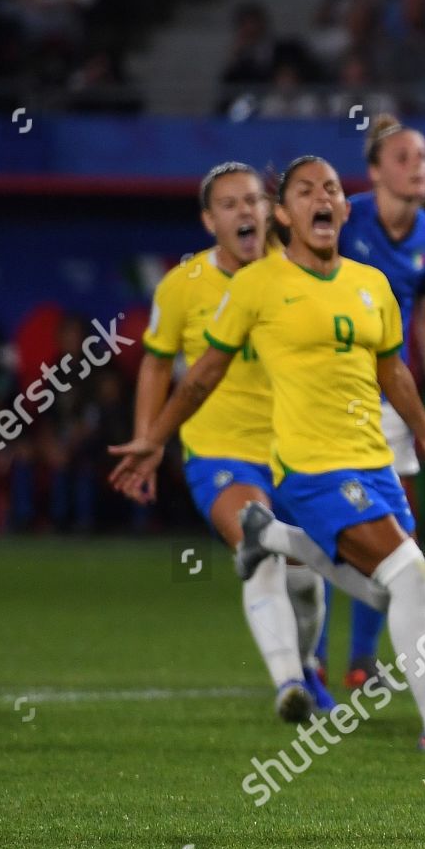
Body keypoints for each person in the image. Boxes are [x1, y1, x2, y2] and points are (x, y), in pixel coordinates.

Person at [110, 155, 425, 754]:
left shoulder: (370, 285)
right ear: (287, 215)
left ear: (345, 210)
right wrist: (155, 437)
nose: (322, 197)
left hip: (373, 460)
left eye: (332, 190)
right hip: (309, 468)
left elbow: (392, 370)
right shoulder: (255, 287)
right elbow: (200, 377)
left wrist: (424, 430)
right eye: (305, 191)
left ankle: (274, 539)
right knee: (412, 575)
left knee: (385, 592)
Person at [128, 162, 331, 721]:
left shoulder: (300, 273)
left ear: (269, 210)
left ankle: (309, 666)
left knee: (307, 578)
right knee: (258, 542)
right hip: (220, 454)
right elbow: (155, 363)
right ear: (208, 219)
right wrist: (148, 442)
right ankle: (289, 684)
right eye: (229, 204)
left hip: (299, 454)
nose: (245, 211)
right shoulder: (182, 286)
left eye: (252, 200)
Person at [313, 114, 425, 693]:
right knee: (324, 527)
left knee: (396, 529)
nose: (416, 167)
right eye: (402, 158)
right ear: (373, 173)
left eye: (422, 158)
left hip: (393, 396)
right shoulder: (344, 220)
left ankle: (360, 659)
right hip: (331, 395)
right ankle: (312, 660)